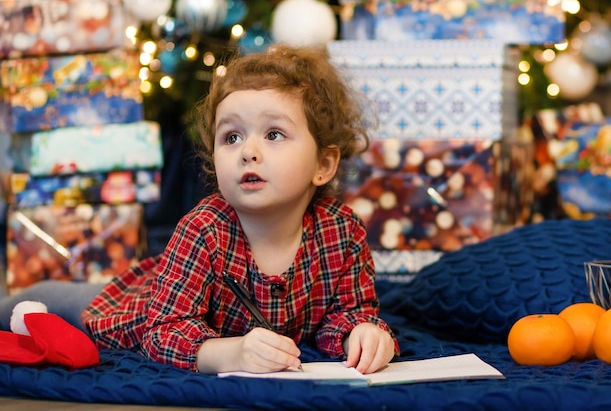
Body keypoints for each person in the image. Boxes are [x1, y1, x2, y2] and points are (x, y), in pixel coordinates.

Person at [21, 44, 400, 375]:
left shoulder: (341, 231)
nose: (249, 151)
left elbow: (346, 312)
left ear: (324, 165)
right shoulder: (204, 228)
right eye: (231, 137)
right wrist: (233, 352)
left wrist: (362, 333)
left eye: (273, 134)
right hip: (139, 306)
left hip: (171, 293)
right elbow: (162, 332)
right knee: (51, 302)